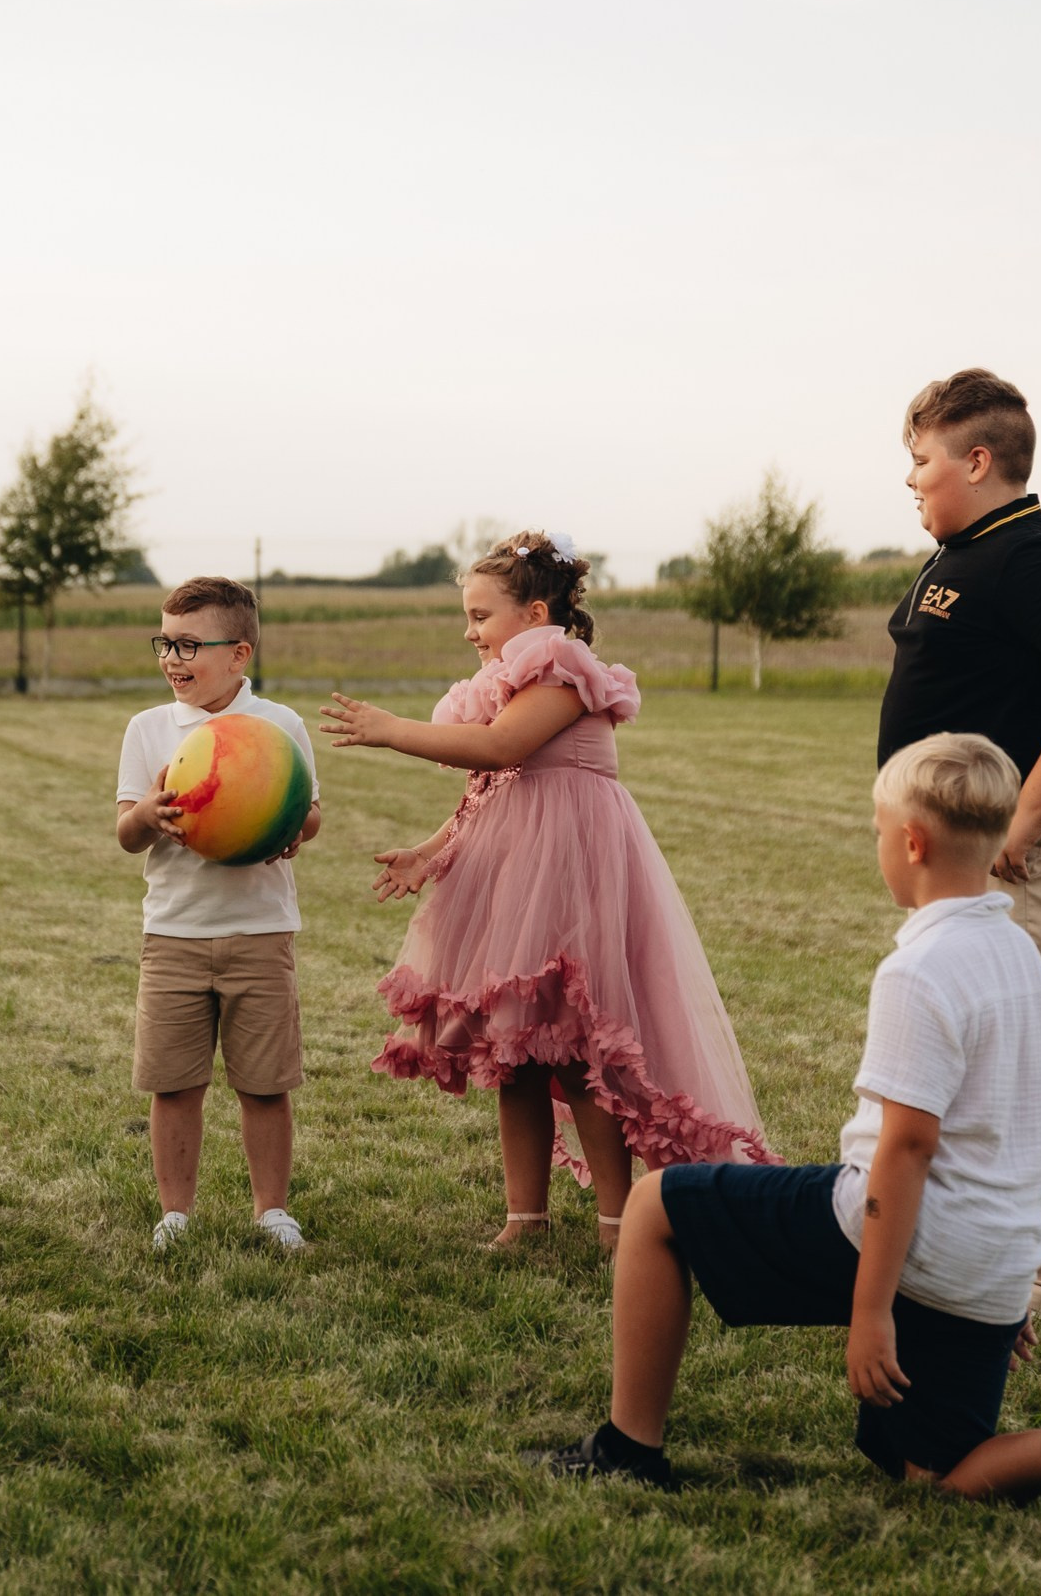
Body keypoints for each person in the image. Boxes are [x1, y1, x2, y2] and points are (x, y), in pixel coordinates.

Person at [528, 733, 1041, 1541]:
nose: (877, 846)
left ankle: (628, 1447)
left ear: (911, 842)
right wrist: (1001, 1279)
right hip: (991, 1262)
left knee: (656, 1205)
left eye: (878, 831)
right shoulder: (1022, 953)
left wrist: (870, 1309)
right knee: (933, 1478)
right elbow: (1018, 1130)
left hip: (908, 1248)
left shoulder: (919, 970)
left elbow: (905, 1149)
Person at [320, 531, 772, 1253]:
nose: (470, 631)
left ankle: (620, 1223)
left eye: (481, 616)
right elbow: (491, 786)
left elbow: (501, 748)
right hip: (515, 873)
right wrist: (430, 852)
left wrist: (392, 730)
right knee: (517, 1052)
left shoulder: (563, 671)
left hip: (571, 871)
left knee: (575, 1047)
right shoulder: (508, 683)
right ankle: (524, 1217)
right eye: (466, 617)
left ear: (534, 614)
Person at [882, 369, 1041, 1312]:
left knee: (1040, 1053)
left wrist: (1023, 816)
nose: (910, 478)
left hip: (1027, 853)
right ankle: (983, 1246)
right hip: (966, 856)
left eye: (922, 460)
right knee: (974, 1053)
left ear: (977, 460)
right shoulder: (964, 552)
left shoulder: (1028, 554)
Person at [116, 577, 322, 1255]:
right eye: (164, 643)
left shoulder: (279, 726)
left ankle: (273, 1210)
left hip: (260, 931)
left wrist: (292, 828)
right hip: (173, 933)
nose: (171, 658)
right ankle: (175, 1213)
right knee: (174, 1084)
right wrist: (148, 815)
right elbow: (126, 833)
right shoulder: (149, 729)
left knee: (265, 1084)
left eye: (188, 646)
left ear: (239, 654)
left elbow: (309, 811)